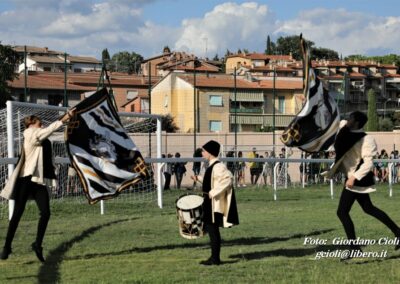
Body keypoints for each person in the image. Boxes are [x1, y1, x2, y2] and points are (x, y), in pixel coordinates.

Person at [323, 111, 400, 260]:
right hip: (352, 177)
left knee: (342, 212)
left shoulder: (367, 139)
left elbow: (368, 163)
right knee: (368, 208)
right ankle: (397, 232)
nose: (347, 119)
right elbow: (335, 122)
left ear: (356, 122)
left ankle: (354, 248)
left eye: (350, 117)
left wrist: (353, 177)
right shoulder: (346, 129)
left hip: (358, 178)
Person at [0, 109, 75, 262]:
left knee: (46, 213)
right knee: (17, 214)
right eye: (39, 122)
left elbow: (48, 132)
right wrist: (63, 119)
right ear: (31, 124)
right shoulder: (29, 134)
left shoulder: (41, 136)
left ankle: (37, 244)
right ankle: (7, 247)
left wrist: (65, 118)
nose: (42, 124)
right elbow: (45, 131)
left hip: (39, 182)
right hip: (26, 180)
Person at [191, 140, 239, 265]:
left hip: (213, 204)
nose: (202, 152)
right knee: (211, 230)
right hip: (208, 202)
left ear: (210, 152)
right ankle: (214, 257)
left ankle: (215, 259)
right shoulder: (211, 166)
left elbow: (228, 179)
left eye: (204, 151)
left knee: (213, 230)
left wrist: (213, 193)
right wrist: (198, 179)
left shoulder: (218, 166)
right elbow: (212, 182)